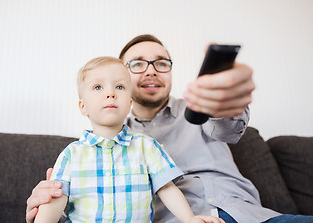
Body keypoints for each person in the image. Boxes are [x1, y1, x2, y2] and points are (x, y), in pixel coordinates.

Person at [27, 35, 313, 223]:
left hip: (246, 216)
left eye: (161, 63)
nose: (151, 70)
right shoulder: (94, 149)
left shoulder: (199, 108)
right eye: (137, 64)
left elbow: (228, 127)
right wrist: (48, 207)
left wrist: (226, 100)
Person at [33, 56, 225, 223]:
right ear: (83, 106)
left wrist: (189, 218)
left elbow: (166, 188)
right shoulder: (71, 154)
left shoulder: (146, 147)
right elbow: (56, 198)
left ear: (129, 104)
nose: (111, 93)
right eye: (98, 87)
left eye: (120, 87)